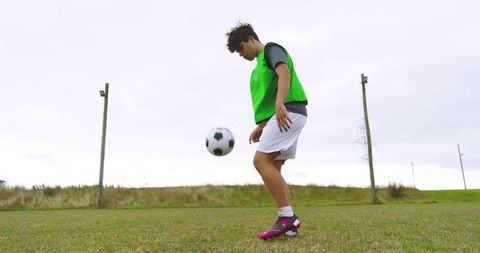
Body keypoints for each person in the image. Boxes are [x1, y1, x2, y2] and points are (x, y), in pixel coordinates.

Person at [226, 22, 308, 240]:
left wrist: (281, 103)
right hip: (286, 113)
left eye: (241, 48)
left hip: (289, 110)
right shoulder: (259, 66)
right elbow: (269, 96)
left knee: (260, 161)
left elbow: (284, 73)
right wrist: (262, 125)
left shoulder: (272, 49)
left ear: (252, 39)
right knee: (274, 165)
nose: (241, 54)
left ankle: (286, 217)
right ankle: (289, 225)